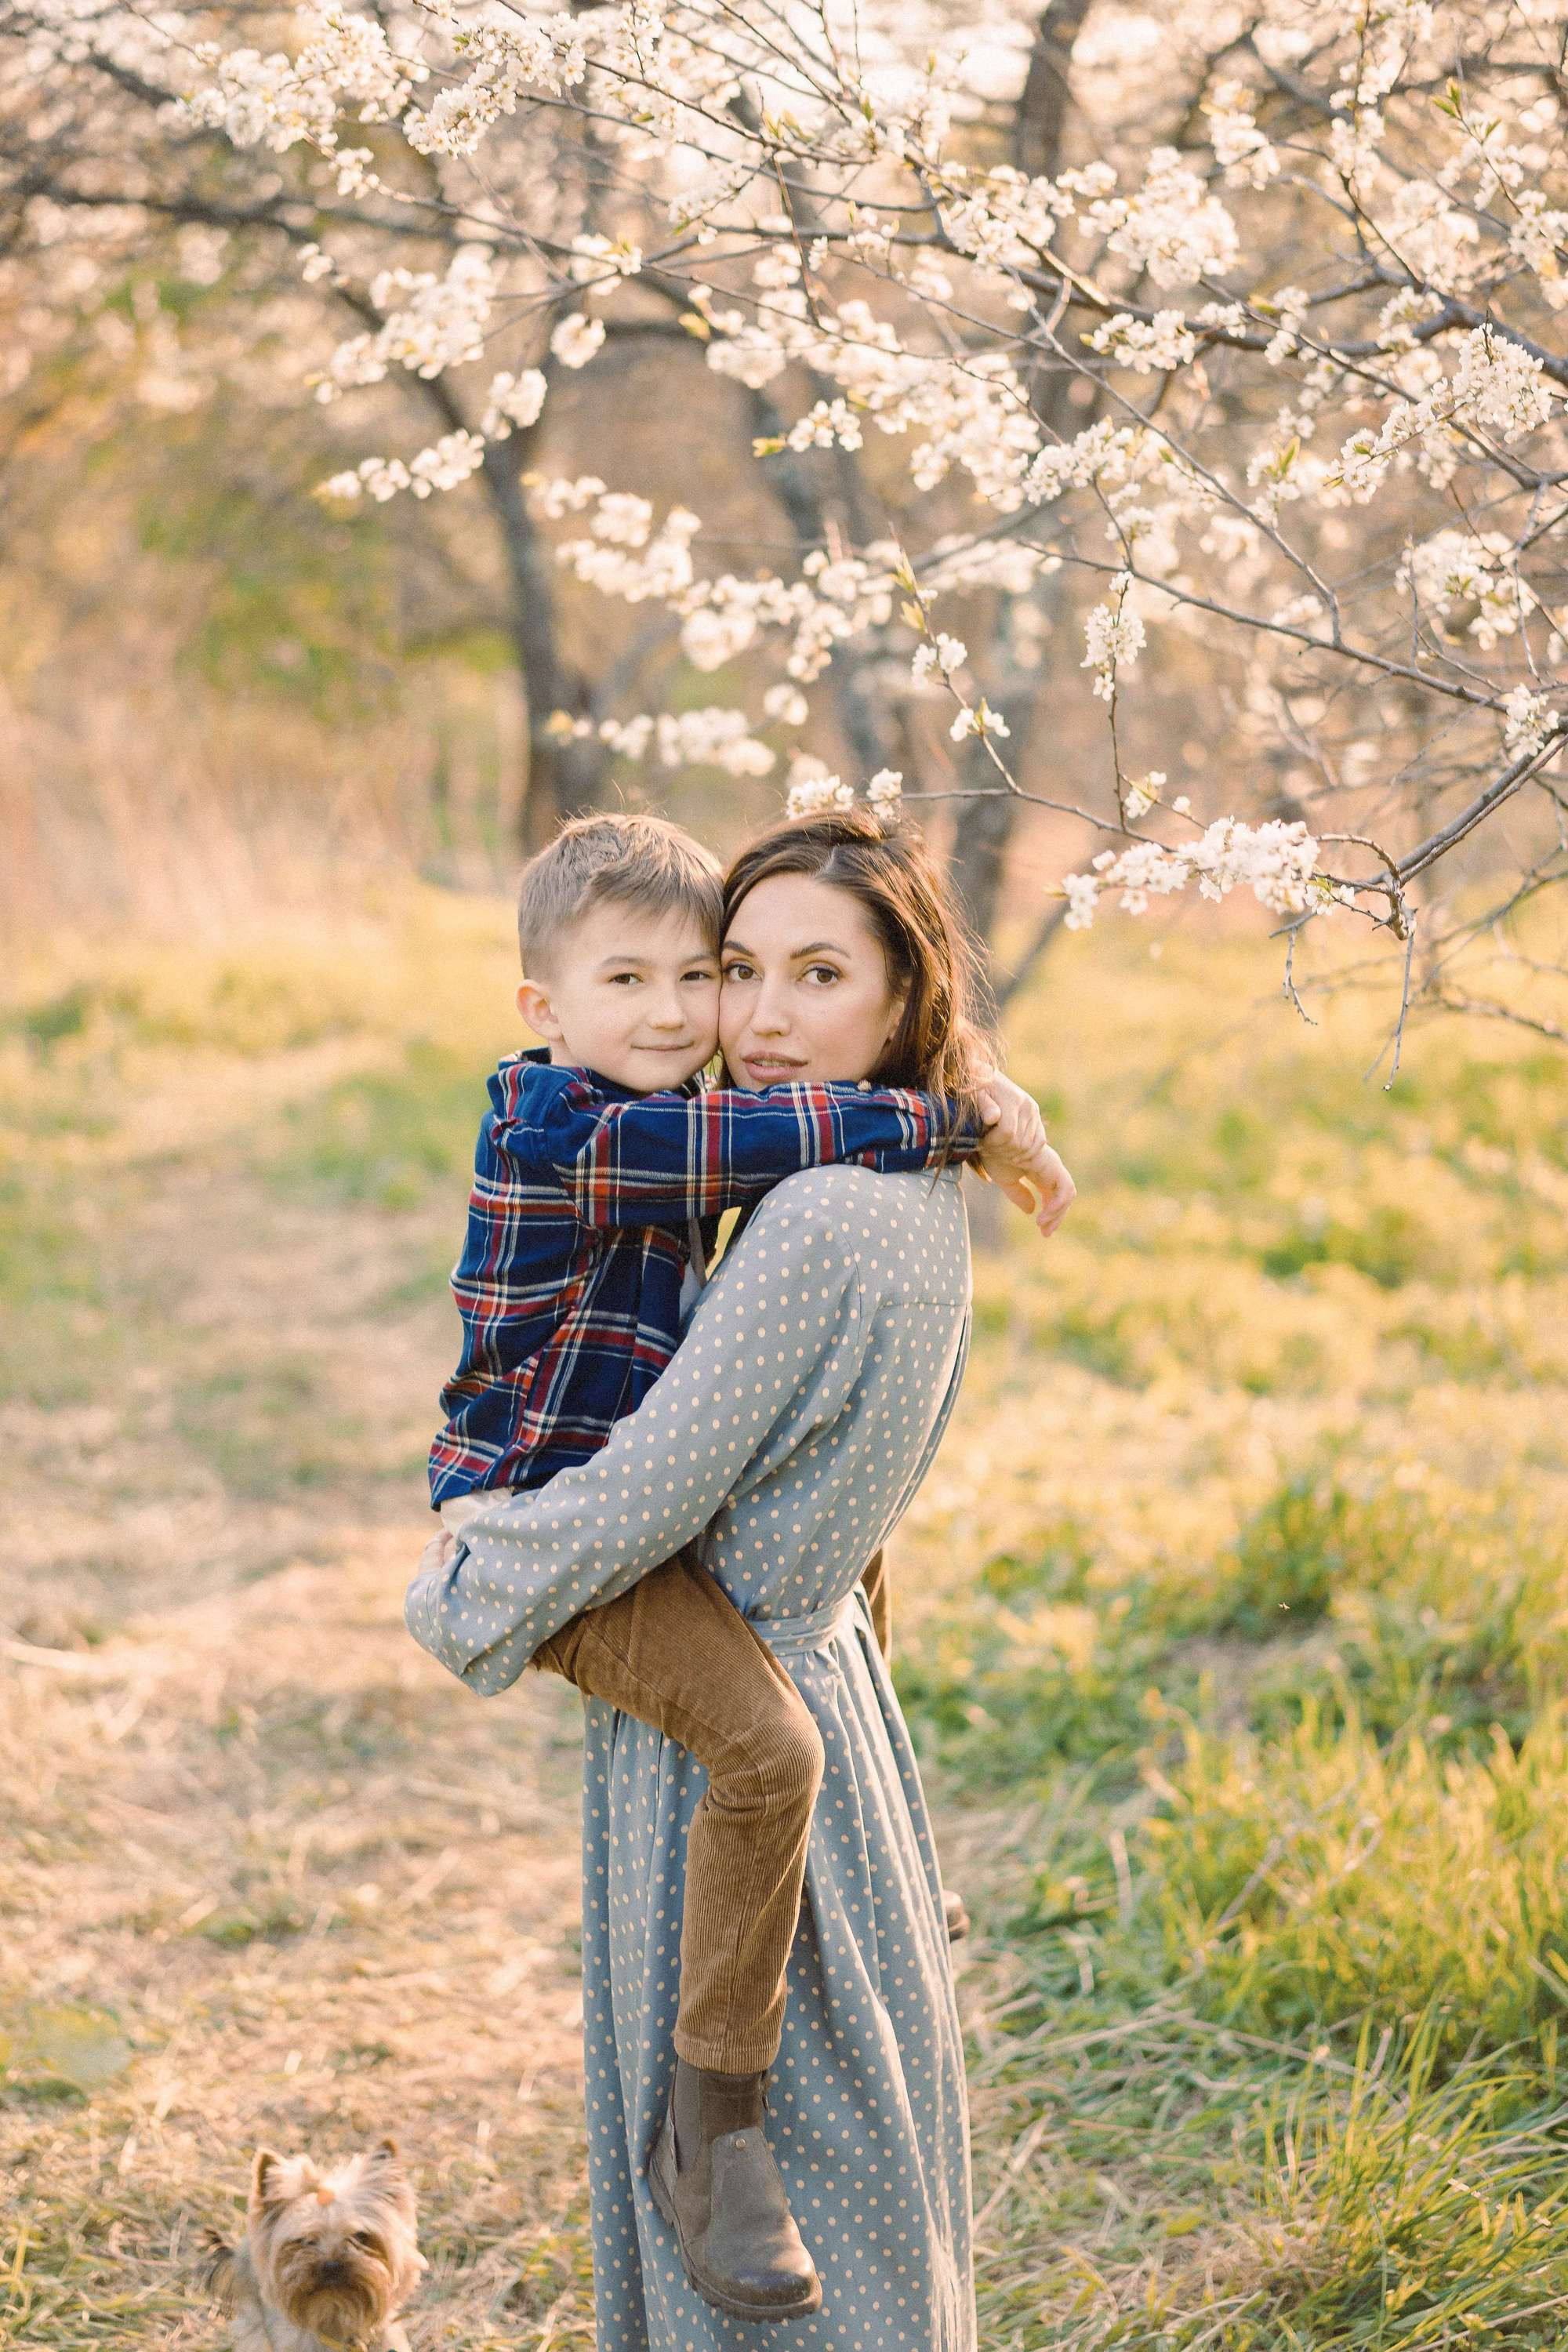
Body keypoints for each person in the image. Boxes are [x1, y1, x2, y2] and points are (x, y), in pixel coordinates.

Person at [408, 803, 1075, 2350]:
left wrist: (982, 1092)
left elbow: (783, 1122)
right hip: (540, 1510)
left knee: (779, 1753)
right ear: (546, 1010)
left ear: (902, 996)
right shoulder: (574, 1124)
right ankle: (714, 2115)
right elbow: (753, 1136)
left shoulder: (764, 1153)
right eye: (726, 974)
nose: (733, 1019)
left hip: (636, 1529)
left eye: (780, 977)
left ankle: (715, 2098)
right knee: (768, 1748)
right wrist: (954, 1115)